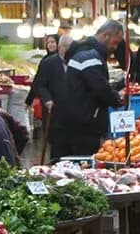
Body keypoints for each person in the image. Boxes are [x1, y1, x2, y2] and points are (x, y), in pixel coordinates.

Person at [52, 21, 125, 158]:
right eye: (115, 42)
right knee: (84, 162)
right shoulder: (90, 57)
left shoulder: (85, 52)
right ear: (105, 36)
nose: (115, 47)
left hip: (77, 120)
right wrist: (117, 98)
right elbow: (100, 88)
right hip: (84, 123)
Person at [26, 34, 66, 123]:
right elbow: (38, 81)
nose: (50, 45)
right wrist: (29, 100)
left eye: (53, 42)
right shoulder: (46, 60)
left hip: (62, 101)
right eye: (48, 43)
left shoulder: (64, 59)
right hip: (48, 101)